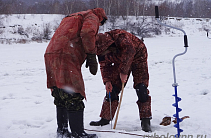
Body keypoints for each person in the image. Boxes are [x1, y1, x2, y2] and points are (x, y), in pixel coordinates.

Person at [44, 8, 107, 138]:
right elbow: (88, 32)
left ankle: (62, 131)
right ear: (101, 18)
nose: (99, 26)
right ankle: (78, 134)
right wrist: (91, 54)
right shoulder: (92, 16)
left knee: (60, 93)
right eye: (100, 24)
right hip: (67, 54)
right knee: (73, 93)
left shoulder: (72, 16)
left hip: (51, 53)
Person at [89, 29, 152, 132]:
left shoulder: (120, 36)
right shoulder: (99, 49)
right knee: (112, 89)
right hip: (121, 60)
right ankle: (105, 118)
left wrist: (124, 72)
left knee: (141, 88)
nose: (105, 54)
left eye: (107, 51)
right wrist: (107, 81)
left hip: (138, 56)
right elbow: (104, 65)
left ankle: (146, 120)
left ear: (109, 46)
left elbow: (130, 51)